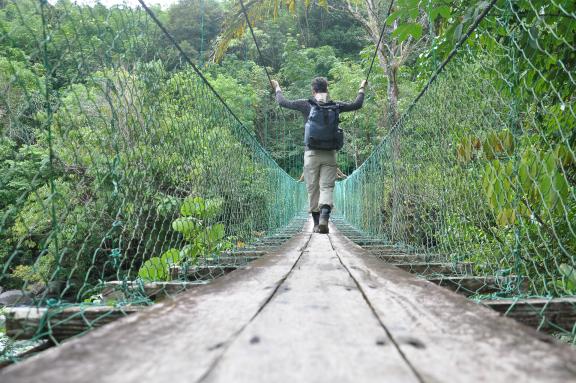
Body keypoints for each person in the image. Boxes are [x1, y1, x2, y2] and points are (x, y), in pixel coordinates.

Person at [271, 77, 366, 233]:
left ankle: (316, 225)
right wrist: (362, 87)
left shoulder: (306, 104)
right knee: (327, 187)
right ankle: (324, 218)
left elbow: (283, 102)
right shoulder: (336, 105)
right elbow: (357, 104)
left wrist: (277, 87)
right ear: (327, 90)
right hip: (330, 154)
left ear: (313, 90)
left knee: (312, 189)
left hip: (311, 154)